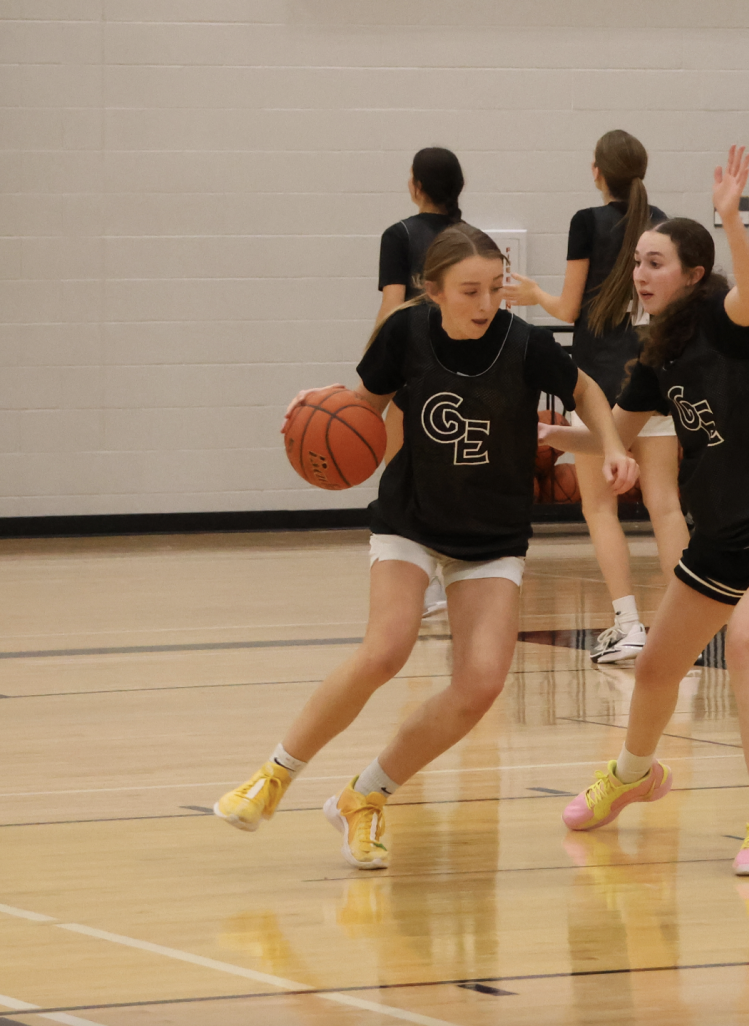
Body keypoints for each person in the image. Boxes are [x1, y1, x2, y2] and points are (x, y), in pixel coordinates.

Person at [215, 225, 637, 870]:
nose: (486, 302)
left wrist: (609, 445)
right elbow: (359, 409)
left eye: (496, 288)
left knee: (480, 685)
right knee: (386, 650)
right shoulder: (405, 334)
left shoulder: (522, 344)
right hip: (412, 519)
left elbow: (585, 390)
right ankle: (274, 775)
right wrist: (312, 410)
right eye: (470, 290)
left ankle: (366, 795)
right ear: (433, 291)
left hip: (491, 534)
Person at [543, 148, 749, 876]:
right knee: (654, 669)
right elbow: (614, 430)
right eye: (638, 262)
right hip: (727, 526)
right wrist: (551, 435)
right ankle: (634, 773)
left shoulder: (722, 318)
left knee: (746, 641)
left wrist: (732, 222)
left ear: (693, 276)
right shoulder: (656, 357)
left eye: (655, 263)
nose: (641, 274)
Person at [503, 130, 689, 664]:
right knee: (666, 506)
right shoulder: (664, 224)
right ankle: (683, 626)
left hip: (600, 390)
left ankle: (628, 623)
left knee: (600, 507)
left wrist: (535, 292)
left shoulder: (587, 222)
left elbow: (566, 310)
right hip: (653, 377)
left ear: (597, 173)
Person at [377, 147, 465, 616]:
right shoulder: (474, 239)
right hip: (466, 370)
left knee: (401, 479)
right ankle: (460, 580)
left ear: (415, 186)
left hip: (414, 368)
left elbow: (393, 308)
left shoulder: (400, 235)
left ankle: (424, 588)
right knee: (455, 478)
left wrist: (374, 365)